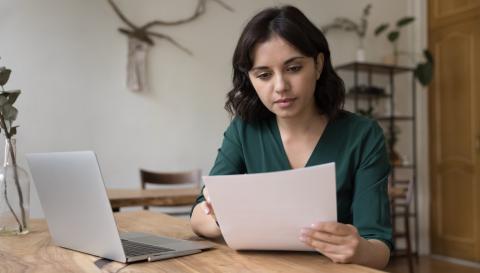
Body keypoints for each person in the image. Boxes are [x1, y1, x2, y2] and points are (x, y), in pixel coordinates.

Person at [190, 5, 392, 269]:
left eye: (294, 68)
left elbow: (380, 249)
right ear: (250, 79)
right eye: (263, 75)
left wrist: (359, 249)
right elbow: (197, 217)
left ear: (318, 65)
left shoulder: (363, 135)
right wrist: (218, 216)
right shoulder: (244, 130)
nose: (280, 87)